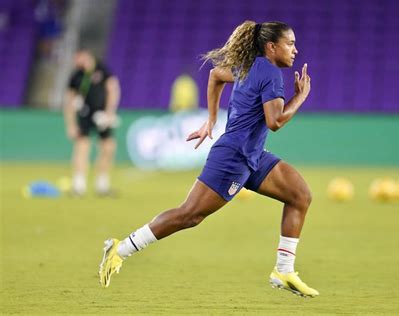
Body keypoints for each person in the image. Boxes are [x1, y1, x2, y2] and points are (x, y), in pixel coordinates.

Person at [99, 21, 319, 297]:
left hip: (251, 155)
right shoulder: (270, 74)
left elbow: (216, 75)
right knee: (189, 215)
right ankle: (120, 249)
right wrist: (300, 97)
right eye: (290, 43)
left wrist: (212, 120)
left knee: (299, 195)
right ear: (271, 46)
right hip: (234, 158)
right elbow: (274, 122)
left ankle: (283, 270)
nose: (295, 50)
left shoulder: (250, 66)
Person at [64, 49, 121, 196]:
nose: (76, 61)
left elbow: (113, 89)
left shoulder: (102, 69)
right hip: (84, 115)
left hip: (101, 115)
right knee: (82, 147)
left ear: (86, 56)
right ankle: (79, 185)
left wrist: (109, 113)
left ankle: (102, 184)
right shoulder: (76, 75)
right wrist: (70, 124)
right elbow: (69, 101)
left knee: (108, 147)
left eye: (77, 58)